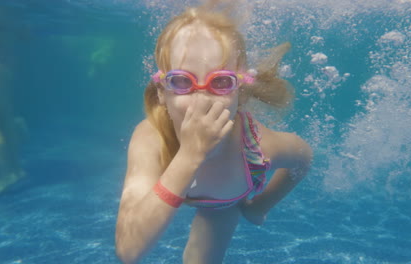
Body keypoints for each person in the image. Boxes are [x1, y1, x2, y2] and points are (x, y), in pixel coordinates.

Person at [115, 2, 313, 264]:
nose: (202, 99)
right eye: (182, 81)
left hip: (223, 205)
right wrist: (189, 156)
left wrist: (260, 206)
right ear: (162, 92)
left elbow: (304, 157)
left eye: (220, 82)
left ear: (240, 93)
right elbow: (128, 250)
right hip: (197, 191)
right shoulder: (153, 137)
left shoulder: (258, 149)